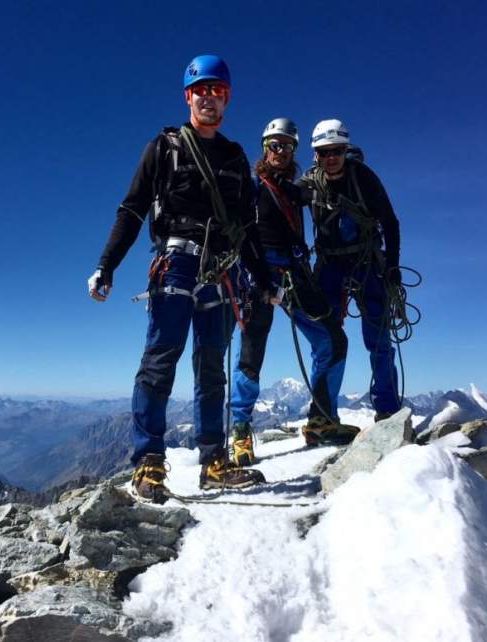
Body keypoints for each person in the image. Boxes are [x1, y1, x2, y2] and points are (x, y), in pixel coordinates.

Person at [87, 55, 276, 503]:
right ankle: (148, 464)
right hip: (176, 263)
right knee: (160, 361)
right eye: (201, 91)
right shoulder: (165, 146)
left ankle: (214, 462)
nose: (209, 98)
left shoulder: (233, 158)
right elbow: (132, 209)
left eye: (217, 91)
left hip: (220, 268)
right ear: (188, 96)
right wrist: (107, 264)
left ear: (226, 99)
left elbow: (246, 229)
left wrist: (264, 279)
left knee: (212, 367)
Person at [228, 119, 356, 465]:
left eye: (286, 146)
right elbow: (242, 235)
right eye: (274, 145)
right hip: (259, 275)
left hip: (295, 272)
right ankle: (240, 432)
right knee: (251, 354)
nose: (280, 151)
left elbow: (328, 185)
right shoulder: (254, 189)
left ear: (294, 151)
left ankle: (321, 421)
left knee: (333, 340)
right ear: (264, 147)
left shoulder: (294, 189)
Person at [298, 119, 402, 421]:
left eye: (337, 151)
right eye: (324, 152)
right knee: (327, 337)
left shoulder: (364, 178)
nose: (331, 158)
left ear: (346, 150)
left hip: (367, 262)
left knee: (378, 337)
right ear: (315, 154)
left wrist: (392, 266)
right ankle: (322, 416)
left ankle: (388, 410)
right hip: (330, 263)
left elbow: (390, 222)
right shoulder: (307, 184)